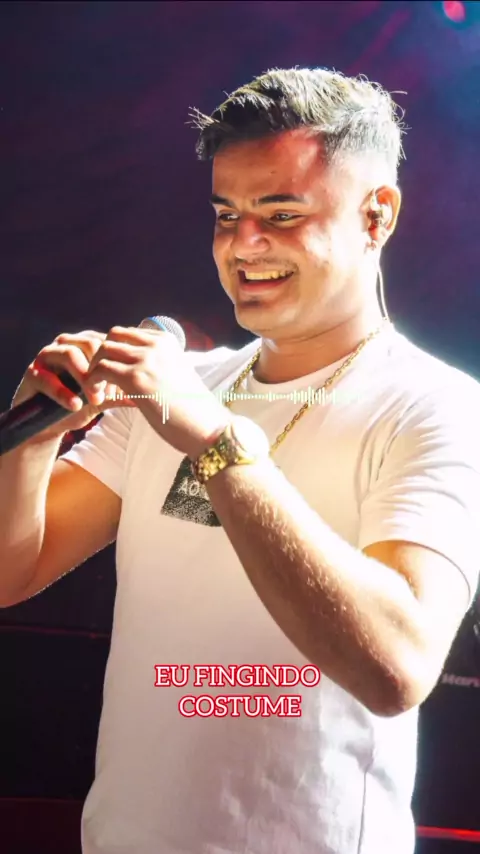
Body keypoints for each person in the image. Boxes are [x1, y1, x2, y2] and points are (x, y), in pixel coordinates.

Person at [1, 67, 479, 854]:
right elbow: (10, 571)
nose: (242, 245)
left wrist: (215, 441)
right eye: (227, 214)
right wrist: (36, 436)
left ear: (376, 215)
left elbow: (398, 665)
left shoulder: (437, 406)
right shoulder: (176, 387)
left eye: (281, 215)